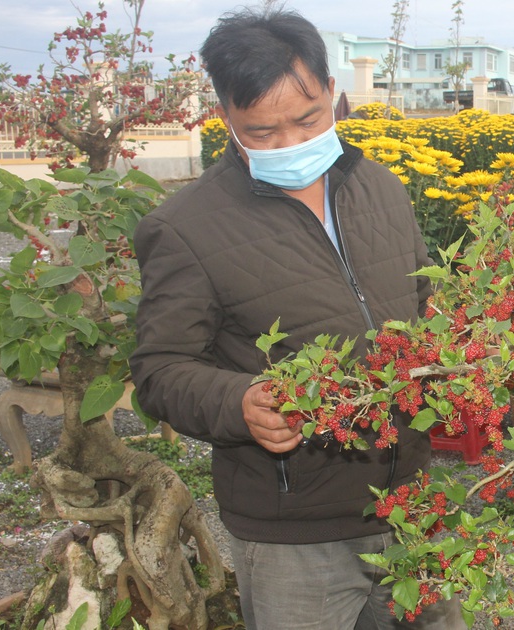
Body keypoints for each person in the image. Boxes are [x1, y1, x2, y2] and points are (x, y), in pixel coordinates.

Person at [129, 8, 462, 629]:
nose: (291, 144)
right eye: (262, 132)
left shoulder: (381, 189)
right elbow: (159, 370)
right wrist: (240, 402)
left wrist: (463, 335)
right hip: (295, 533)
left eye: (308, 120)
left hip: (414, 506)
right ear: (226, 118)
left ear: (332, 94)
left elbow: (423, 304)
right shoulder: (185, 228)